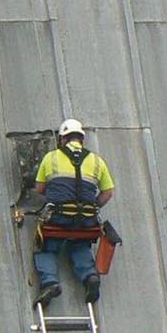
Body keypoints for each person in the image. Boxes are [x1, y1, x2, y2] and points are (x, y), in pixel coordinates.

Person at [32, 118, 114, 307]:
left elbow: (39, 188)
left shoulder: (51, 158)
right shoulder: (97, 161)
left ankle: (50, 282)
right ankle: (90, 276)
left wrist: (57, 195)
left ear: (62, 140)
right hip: (86, 221)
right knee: (80, 245)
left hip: (58, 219)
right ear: (81, 140)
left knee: (46, 246)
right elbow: (108, 193)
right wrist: (92, 207)